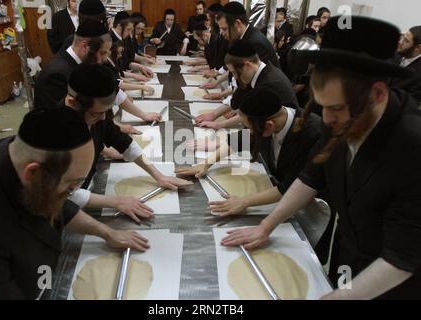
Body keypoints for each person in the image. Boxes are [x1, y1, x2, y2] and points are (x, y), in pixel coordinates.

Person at [222, 16, 421, 299]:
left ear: (377, 95)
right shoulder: (338, 119)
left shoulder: (411, 146)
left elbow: (403, 255)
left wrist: (343, 297)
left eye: (337, 108)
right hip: (348, 257)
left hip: (393, 280)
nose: (326, 119)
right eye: (321, 106)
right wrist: (267, 225)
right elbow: (311, 176)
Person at [0, 106, 150, 299]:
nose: (73, 192)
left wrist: (107, 232)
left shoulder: (23, 154)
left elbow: (59, 202)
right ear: (32, 172)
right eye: (72, 185)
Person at [62, 63, 193, 223]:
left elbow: (125, 143)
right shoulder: (55, 136)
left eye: (106, 112)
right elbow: (64, 196)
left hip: (84, 194)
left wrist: (158, 175)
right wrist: (116, 202)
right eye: (97, 113)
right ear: (71, 102)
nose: (103, 119)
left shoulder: (96, 117)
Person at [177, 87, 322, 217]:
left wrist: (245, 201)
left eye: (251, 129)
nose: (250, 133)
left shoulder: (311, 134)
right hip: (277, 188)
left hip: (306, 209)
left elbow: (291, 186)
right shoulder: (271, 118)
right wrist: (206, 163)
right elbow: (241, 138)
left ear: (269, 126)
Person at [196, 40, 297, 130]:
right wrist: (213, 115)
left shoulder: (268, 84)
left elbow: (252, 125)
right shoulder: (257, 73)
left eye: (235, 73)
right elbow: (237, 101)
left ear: (247, 65)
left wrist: (221, 127)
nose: (235, 78)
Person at [35, 20, 111, 109]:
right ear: (85, 46)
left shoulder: (80, 64)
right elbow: (60, 118)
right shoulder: (57, 75)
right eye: (102, 53)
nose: (105, 59)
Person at [392, 26, 421, 104]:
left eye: (406, 41)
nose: (400, 42)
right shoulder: (396, 52)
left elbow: (409, 104)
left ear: (418, 48)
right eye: (402, 37)